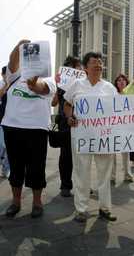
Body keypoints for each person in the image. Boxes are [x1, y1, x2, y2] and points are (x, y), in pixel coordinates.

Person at [1, 40, 56, 218]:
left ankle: (37, 202)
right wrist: (18, 46)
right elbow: (11, 62)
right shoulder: (15, 76)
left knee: (36, 168)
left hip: (37, 129)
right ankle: (15, 202)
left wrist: (35, 86)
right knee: (15, 167)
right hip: (13, 127)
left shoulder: (49, 79)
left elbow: (43, 89)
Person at [64, 52, 117, 223]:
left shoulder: (109, 87)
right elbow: (67, 104)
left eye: (101, 62)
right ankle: (81, 209)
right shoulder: (76, 84)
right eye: (94, 62)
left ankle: (105, 208)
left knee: (104, 173)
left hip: (104, 138)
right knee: (81, 172)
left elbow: (120, 110)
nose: (98, 65)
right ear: (86, 67)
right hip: (81, 136)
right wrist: (69, 117)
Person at [52, 56, 82, 197]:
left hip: (83, 122)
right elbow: (53, 103)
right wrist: (56, 86)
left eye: (78, 68)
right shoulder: (61, 85)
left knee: (83, 156)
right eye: (74, 68)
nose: (78, 70)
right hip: (65, 123)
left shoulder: (84, 83)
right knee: (66, 155)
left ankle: (83, 185)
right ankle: (65, 185)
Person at [111, 74, 133, 184]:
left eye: (123, 80)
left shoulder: (132, 95)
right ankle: (112, 176)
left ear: (126, 82)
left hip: (126, 127)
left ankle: (127, 175)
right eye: (118, 80)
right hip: (114, 127)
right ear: (116, 83)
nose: (121, 82)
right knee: (112, 153)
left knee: (126, 152)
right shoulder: (112, 95)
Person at [0, 66, 10, 178]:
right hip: (1, 119)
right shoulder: (2, 84)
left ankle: (6, 168)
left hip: (10, 120)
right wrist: (6, 85)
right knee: (1, 145)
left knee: (7, 146)